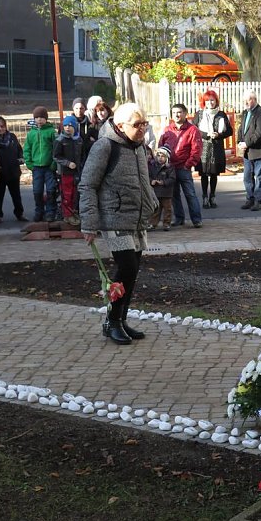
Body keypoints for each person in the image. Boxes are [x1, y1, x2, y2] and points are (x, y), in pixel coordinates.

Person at [79, 102, 158, 345]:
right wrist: (89, 224)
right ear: (121, 125)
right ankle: (112, 322)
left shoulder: (138, 146)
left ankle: (121, 320)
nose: (142, 128)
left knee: (132, 272)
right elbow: (88, 185)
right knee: (126, 269)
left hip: (137, 220)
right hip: (115, 219)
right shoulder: (105, 146)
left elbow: (143, 182)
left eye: (145, 123)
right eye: (137, 125)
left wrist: (152, 205)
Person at [158, 102, 203, 228]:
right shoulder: (167, 130)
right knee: (174, 195)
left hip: (184, 167)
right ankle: (179, 218)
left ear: (185, 113)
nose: (177, 115)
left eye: (179, 112)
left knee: (190, 194)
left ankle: (196, 219)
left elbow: (197, 149)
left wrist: (188, 165)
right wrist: (163, 163)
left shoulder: (192, 130)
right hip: (170, 168)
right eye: (174, 113)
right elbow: (161, 146)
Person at [193, 90, 232, 209]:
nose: (210, 102)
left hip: (216, 147)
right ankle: (205, 197)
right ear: (204, 102)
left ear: (216, 101)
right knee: (204, 173)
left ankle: (212, 196)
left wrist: (219, 135)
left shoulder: (221, 114)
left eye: (212, 100)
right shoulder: (199, 114)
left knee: (214, 173)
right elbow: (194, 130)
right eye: (207, 100)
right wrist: (206, 134)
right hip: (203, 147)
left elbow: (229, 131)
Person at [23, 106, 59, 222]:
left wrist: (54, 163)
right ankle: (39, 210)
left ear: (46, 119)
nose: (39, 120)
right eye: (37, 117)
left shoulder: (51, 132)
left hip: (49, 167)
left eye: (42, 117)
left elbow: (56, 149)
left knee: (50, 190)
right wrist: (29, 163)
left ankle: (50, 211)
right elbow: (27, 149)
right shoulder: (31, 134)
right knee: (37, 191)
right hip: (36, 167)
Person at [237, 89, 261, 211]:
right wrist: (240, 141)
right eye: (244, 100)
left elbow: (260, 133)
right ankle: (249, 198)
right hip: (247, 151)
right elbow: (242, 129)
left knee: (259, 176)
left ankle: (258, 201)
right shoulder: (246, 112)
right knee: (247, 177)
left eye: (248, 100)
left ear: (254, 100)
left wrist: (247, 143)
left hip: (259, 150)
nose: (245, 102)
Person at [0, 116, 26, 223]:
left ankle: (19, 214)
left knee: (16, 195)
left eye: (2, 126)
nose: (0, 129)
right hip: (0, 171)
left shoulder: (12, 137)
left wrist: (20, 158)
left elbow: (19, 149)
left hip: (13, 170)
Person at [54, 115, 84, 226]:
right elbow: (56, 156)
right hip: (65, 172)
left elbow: (82, 154)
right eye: (65, 125)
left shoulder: (79, 140)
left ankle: (74, 212)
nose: (67, 128)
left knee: (76, 193)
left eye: (70, 126)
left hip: (77, 172)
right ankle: (67, 215)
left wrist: (81, 165)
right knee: (67, 194)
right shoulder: (60, 140)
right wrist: (67, 163)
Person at [148, 145, 176, 231]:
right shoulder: (153, 166)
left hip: (166, 192)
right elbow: (148, 175)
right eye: (158, 156)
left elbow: (172, 179)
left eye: (163, 156)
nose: (160, 158)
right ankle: (153, 223)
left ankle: (166, 223)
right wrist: (151, 181)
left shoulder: (169, 168)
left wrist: (163, 182)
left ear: (167, 157)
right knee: (156, 209)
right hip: (156, 192)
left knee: (167, 209)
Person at [72, 97, 99, 164]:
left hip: (85, 157)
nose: (79, 111)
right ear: (73, 109)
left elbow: (98, 138)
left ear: (85, 109)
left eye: (81, 108)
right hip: (71, 157)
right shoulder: (67, 124)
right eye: (76, 108)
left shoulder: (90, 125)